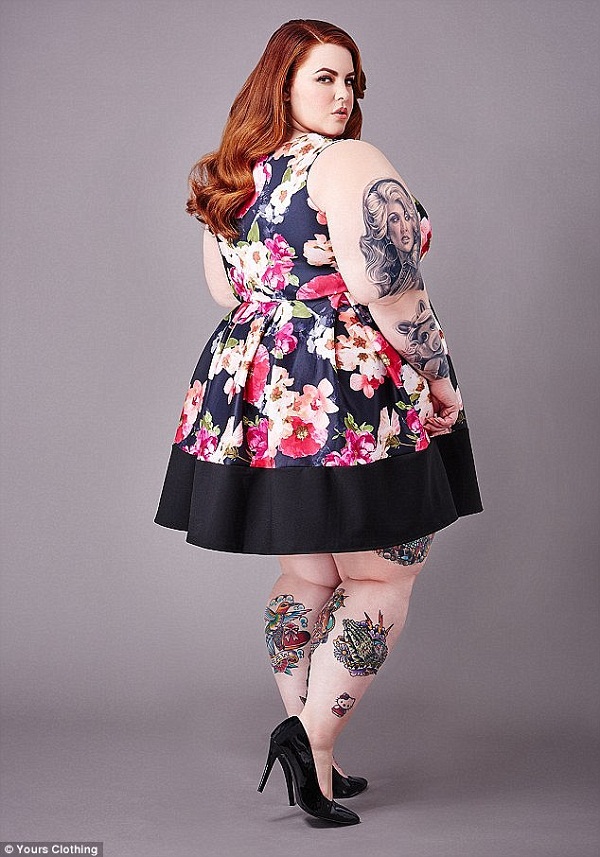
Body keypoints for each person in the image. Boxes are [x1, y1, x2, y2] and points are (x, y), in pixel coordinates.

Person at [154, 18, 483, 826]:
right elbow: (391, 290)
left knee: (309, 574)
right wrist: (441, 379)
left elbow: (227, 292)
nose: (343, 96)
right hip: (346, 383)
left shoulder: (230, 174)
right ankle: (311, 738)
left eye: (351, 81)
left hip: (258, 389)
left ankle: (319, 762)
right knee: (382, 574)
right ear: (282, 84)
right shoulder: (349, 162)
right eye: (325, 78)